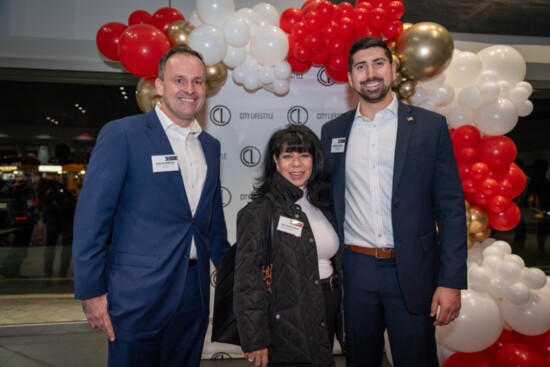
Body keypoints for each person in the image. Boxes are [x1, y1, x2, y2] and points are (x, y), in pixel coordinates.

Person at [72, 44, 230, 367]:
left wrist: (240, 278)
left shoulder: (210, 146)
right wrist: (90, 291)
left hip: (193, 294)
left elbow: (212, 225)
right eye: (180, 80)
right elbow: (91, 219)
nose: (190, 90)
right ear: (159, 86)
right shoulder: (123, 135)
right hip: (137, 295)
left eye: (198, 82)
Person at [320, 37, 467, 367]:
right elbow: (324, 197)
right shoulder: (333, 131)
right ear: (350, 77)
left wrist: (451, 281)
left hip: (413, 270)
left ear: (393, 68)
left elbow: (451, 207)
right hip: (355, 271)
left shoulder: (430, 126)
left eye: (378, 63)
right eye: (361, 66)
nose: (370, 73)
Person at [234, 124, 343, 367]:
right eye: (288, 156)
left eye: (304, 155)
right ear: (275, 160)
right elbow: (247, 281)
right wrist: (254, 339)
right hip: (286, 318)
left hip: (328, 307)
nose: (297, 164)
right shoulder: (261, 211)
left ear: (314, 160)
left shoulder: (325, 205)